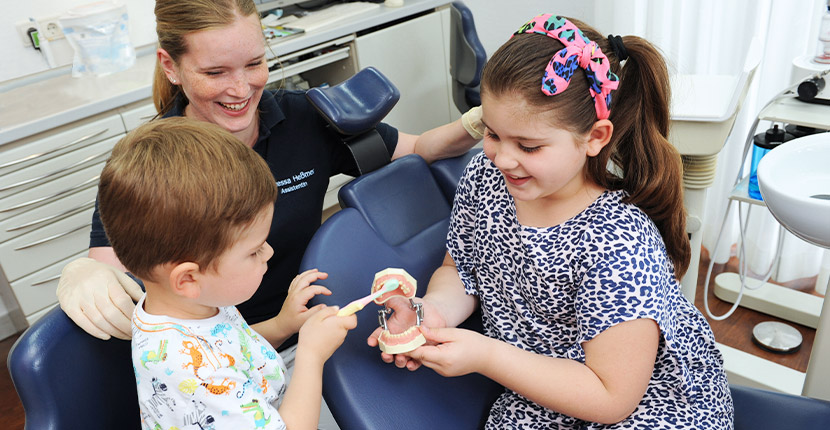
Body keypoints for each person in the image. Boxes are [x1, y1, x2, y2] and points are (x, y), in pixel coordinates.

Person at [369, 14, 734, 429]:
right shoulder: (486, 179)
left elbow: (612, 397)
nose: (503, 158)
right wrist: (431, 312)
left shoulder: (618, 242)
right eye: (491, 134)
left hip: (644, 404)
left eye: (528, 146)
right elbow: (460, 269)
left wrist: (486, 355)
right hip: (536, 387)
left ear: (595, 138)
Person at [56, 0, 483, 346]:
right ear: (171, 66)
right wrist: (83, 272)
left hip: (316, 317)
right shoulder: (153, 163)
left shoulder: (303, 117)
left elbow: (417, 149)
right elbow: (115, 272)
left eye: (254, 64)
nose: (241, 90)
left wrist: (486, 123)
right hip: (222, 351)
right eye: (214, 72)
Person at [99, 116, 357, 429]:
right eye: (254, 250)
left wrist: (281, 324)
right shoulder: (191, 370)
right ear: (188, 279)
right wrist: (311, 356)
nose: (269, 253)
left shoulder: (193, 304)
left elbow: (230, 351)